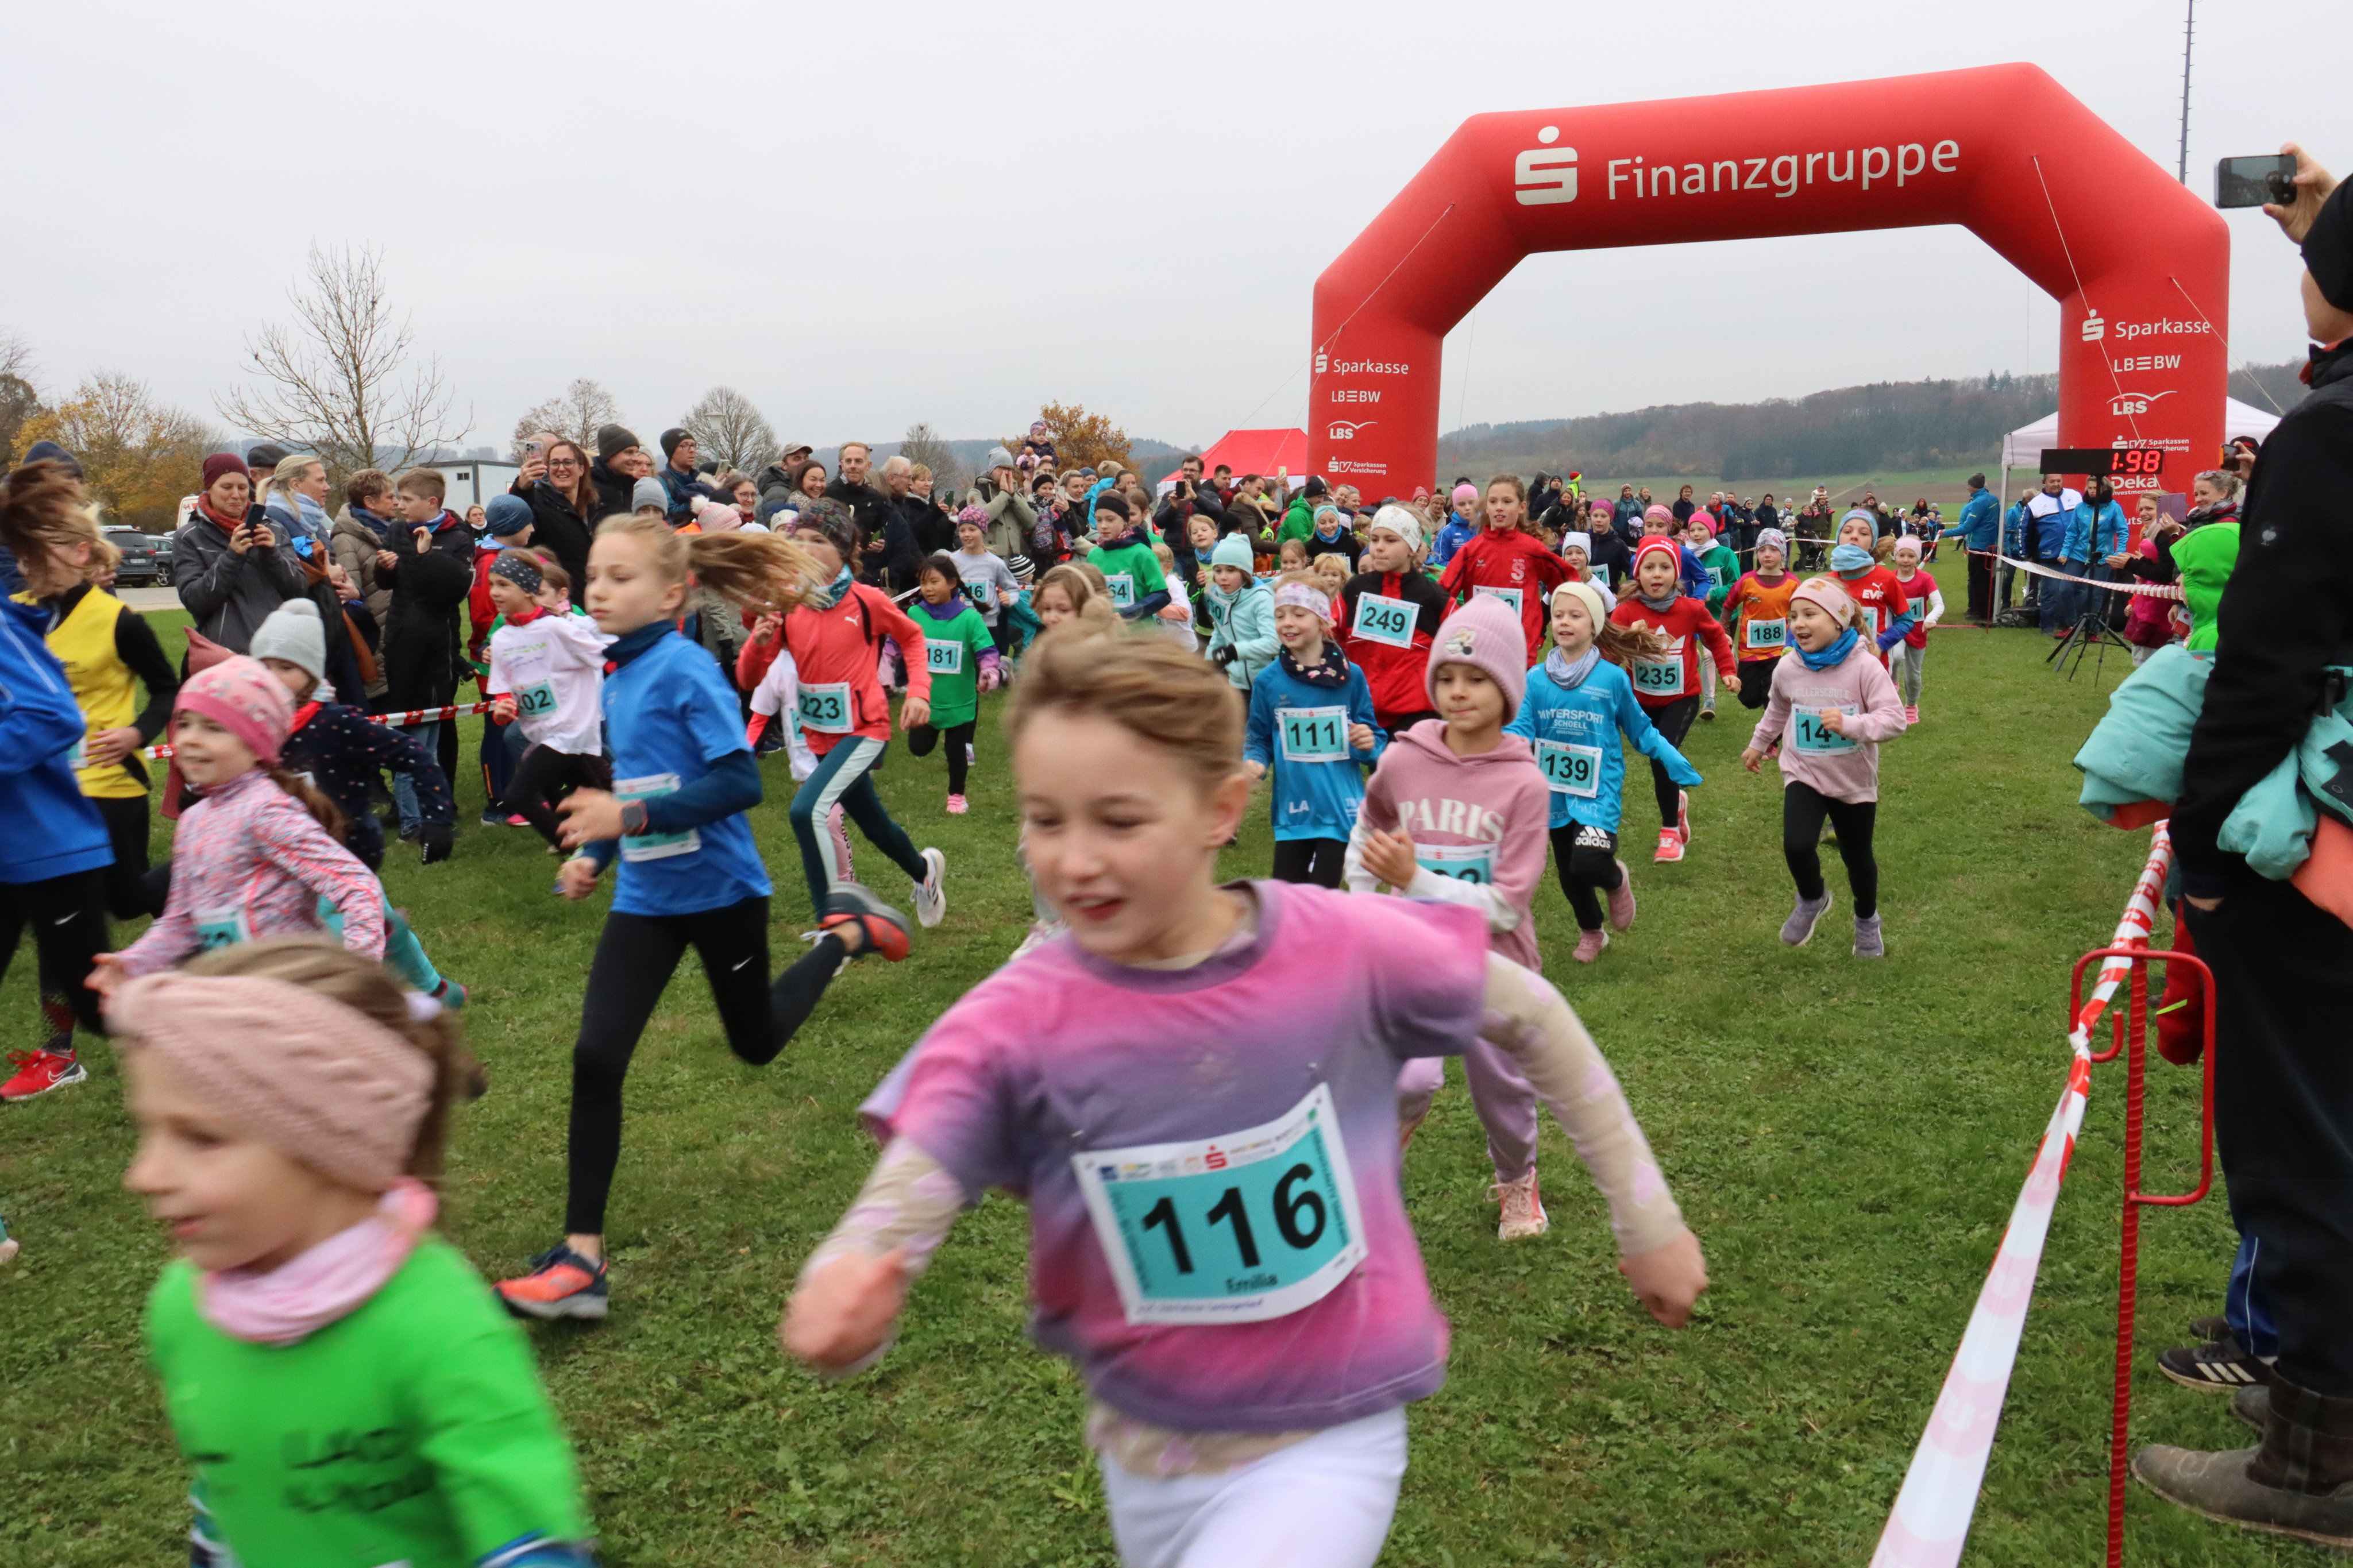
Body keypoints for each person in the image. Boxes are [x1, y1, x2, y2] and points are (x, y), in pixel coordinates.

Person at [784, 627, 1704, 1568]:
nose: (1076, 861)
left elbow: (1532, 1013)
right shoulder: (1023, 1006)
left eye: (1119, 820)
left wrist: (1648, 1219)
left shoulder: (1337, 946)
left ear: (1221, 808)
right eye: (1046, 820)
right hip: (1143, 1444)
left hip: (1328, 1434)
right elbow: (932, 1147)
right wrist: (865, 1258)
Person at [495, 513, 912, 1320]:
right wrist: (596, 855)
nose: (599, 591)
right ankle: (581, 1260)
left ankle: (847, 934)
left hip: (723, 893)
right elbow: (637, 785)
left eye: (620, 577)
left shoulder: (685, 668)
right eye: (593, 577)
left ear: (671, 594)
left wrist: (627, 820)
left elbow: (738, 783)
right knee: (596, 1054)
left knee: (755, 1043)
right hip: (647, 900)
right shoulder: (616, 673)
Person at [2133, 146, 2353, 1547]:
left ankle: (2313, 1460)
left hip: (2315, 848)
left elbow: (2263, 664)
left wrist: (2199, 841)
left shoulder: (2326, 439)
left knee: (2306, 1134)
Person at [120, 941, 600, 1568]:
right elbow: (231, 1490)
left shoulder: (438, 1329)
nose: (144, 1174)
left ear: (333, 1141)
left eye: (200, 1137)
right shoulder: (183, 1310)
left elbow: (533, 1545)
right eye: (148, 1130)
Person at [1348, 596, 1557, 1239]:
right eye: (1445, 676)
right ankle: (1382, 1151)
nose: (1457, 691)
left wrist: (1415, 880)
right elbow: (1370, 826)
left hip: (1496, 961)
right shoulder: (1403, 759)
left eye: (1475, 678)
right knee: (1408, 1075)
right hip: (1415, 955)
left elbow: (1506, 906)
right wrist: (1365, 902)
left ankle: (1517, 1180)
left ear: (1508, 689)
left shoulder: (1526, 785)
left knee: (1502, 1089)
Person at [88, 657, 387, 999]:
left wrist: (357, 977)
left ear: (255, 743)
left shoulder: (267, 812)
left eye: (213, 728)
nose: (191, 739)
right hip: (232, 997)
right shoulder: (194, 820)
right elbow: (181, 922)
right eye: (185, 724)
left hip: (295, 998)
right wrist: (131, 963)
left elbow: (358, 887)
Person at [734, 499, 947, 927]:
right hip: (820, 737)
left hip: (866, 729)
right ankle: (924, 872)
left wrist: (919, 692)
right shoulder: (788, 604)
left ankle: (832, 925)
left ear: (845, 551)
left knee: (806, 811)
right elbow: (748, 678)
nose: (805, 549)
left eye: (818, 541)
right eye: (798, 541)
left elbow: (912, 638)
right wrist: (759, 641)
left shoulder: (867, 600)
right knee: (874, 825)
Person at [0, 461, 119, 1103]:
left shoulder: (5, 628)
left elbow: (54, 716)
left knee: (100, 1008)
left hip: (54, 850)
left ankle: (243, 1025)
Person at [1510, 581, 1696, 964]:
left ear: (1594, 625)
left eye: (1575, 616)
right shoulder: (1535, 679)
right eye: (1558, 615)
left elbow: (1640, 729)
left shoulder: (1611, 678)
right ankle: (1592, 931)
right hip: (1553, 791)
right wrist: (1494, 753)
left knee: (1589, 862)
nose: (1564, 622)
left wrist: (1668, 754)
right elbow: (1520, 731)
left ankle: (1616, 880)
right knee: (1569, 872)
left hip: (1599, 788)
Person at [1739, 576, 1906, 958]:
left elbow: (1894, 719)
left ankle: (1867, 921)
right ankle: (1813, 897)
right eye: (1794, 615)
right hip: (1804, 771)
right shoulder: (1789, 667)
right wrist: (1758, 744)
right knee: (1797, 844)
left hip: (1852, 780)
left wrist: (1851, 725)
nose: (1798, 624)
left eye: (1810, 615)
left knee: (1857, 858)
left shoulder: (1865, 667)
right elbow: (1778, 708)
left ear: (1838, 620)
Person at [1243, 576, 1382, 887]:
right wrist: (1255, 762)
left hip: (1341, 811)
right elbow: (1258, 739)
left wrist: (1367, 743)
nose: (1287, 623)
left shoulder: (1352, 677)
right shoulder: (1268, 682)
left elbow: (1374, 739)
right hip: (1293, 814)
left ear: (1322, 621)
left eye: (1298, 614)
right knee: (1289, 898)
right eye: (1280, 615)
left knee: (1320, 897)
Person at [1610, 538, 1736, 863]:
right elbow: (1608, 655)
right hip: (1641, 702)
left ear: (1676, 575)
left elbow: (1716, 637)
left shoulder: (1691, 609)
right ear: (1638, 574)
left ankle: (1670, 832)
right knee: (1658, 757)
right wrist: (1627, 639)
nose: (1657, 574)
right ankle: (1676, 804)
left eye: (1665, 567)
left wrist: (1727, 671)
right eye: (1649, 567)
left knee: (1663, 756)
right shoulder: (1626, 612)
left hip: (1683, 697)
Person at [482, 549, 611, 851]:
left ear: (528, 589)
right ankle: (627, 835)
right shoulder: (501, 639)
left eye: (503, 585)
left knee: (518, 794)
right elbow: (503, 689)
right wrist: (504, 707)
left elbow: (604, 654)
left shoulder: (557, 628)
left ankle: (569, 847)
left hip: (570, 729)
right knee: (591, 796)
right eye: (491, 584)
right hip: (541, 732)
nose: (494, 593)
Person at [377, 469, 474, 827]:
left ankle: (441, 802)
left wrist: (427, 555)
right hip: (403, 636)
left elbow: (453, 589)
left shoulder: (459, 536)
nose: (399, 506)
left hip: (440, 642)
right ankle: (410, 813)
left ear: (431, 503)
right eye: (398, 499)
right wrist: (384, 567)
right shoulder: (396, 531)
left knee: (439, 725)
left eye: (406, 500)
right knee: (408, 724)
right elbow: (389, 583)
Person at [175, 453, 303, 656]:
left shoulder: (274, 530)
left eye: (242, 488)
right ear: (210, 489)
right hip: (226, 655)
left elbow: (299, 590)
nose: (236, 495)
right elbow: (195, 601)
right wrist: (232, 556)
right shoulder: (190, 537)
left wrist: (272, 555)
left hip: (278, 651)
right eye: (227, 487)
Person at [904, 553, 1001, 815]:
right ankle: (934, 732)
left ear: (952, 583)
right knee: (919, 748)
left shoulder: (969, 619)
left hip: (959, 700)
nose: (928, 588)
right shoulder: (915, 614)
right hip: (926, 700)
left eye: (934, 582)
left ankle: (957, 796)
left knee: (956, 752)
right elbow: (896, 641)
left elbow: (987, 651)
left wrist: (989, 671)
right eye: (923, 583)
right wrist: (885, 668)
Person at [1438, 476, 1571, 665]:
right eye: (1493, 502)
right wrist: (1460, 623)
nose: (1499, 507)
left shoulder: (1533, 549)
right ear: (1486, 507)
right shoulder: (1471, 551)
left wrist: (1544, 622)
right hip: (1479, 650)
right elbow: (1441, 595)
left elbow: (1569, 584)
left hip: (1520, 652)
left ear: (1522, 507)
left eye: (1507, 502)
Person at [1718, 528, 1800, 710]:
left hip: (1779, 651)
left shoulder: (1793, 583)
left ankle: (1772, 722)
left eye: (1773, 550)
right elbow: (1728, 606)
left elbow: (1803, 611)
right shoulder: (1747, 581)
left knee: (1772, 696)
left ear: (1783, 553)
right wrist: (1725, 632)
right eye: (1762, 550)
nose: (1767, 555)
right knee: (1749, 699)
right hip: (1749, 651)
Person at [507, 438, 600, 592]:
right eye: (555, 463)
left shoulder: (594, 503)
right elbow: (518, 530)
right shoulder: (537, 501)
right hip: (557, 596)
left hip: (593, 593)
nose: (561, 469)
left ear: (581, 469)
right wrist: (522, 489)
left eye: (568, 462)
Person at [2054, 476, 2128, 636]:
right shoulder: (2080, 508)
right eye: (2090, 488)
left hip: (2102, 557)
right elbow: (2072, 532)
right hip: (2078, 555)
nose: (2093, 491)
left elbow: (2123, 532)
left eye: (2096, 488)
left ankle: (2093, 630)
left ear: (2104, 489)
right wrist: (2064, 552)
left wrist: (2118, 553)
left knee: (2095, 594)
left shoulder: (2114, 508)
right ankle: (2072, 624)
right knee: (2065, 589)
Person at [1202, 533, 1275, 692]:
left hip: (1267, 685)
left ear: (1245, 572)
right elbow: (1220, 634)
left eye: (1231, 570)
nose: (1223, 577)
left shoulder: (1262, 599)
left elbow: (1274, 643)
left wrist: (1235, 651)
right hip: (1235, 684)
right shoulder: (1218, 596)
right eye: (1218, 571)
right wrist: (1208, 665)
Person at [1085, 495, 1172, 621]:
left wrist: (1128, 614)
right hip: (1104, 629)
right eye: (1099, 520)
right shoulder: (1093, 555)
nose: (1103, 526)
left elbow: (1162, 595)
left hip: (1138, 630)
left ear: (1125, 520)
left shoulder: (1142, 553)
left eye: (1110, 520)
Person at [948, 506, 1021, 655]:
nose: (967, 535)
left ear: (983, 531)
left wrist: (1009, 598)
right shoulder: (951, 561)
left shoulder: (995, 563)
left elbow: (1012, 588)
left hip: (988, 626)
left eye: (972, 530)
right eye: (962, 530)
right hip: (959, 622)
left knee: (986, 663)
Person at [1888, 536, 1943, 724]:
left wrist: (1931, 619)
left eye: (1911, 556)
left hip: (1918, 632)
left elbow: (1938, 604)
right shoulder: (1889, 579)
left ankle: (1911, 706)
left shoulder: (1925, 579)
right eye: (1901, 555)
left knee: (1913, 675)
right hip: (1896, 630)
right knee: (1895, 657)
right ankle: (1893, 683)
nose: (1906, 560)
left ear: (1918, 558)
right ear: (1895, 556)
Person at [1941, 473, 2000, 622]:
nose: (1967, 488)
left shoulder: (1978, 503)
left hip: (1978, 548)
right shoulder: (1993, 499)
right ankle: (1988, 610)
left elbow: (1967, 527)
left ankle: (1980, 613)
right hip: (1991, 547)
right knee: (1988, 581)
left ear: (1974, 487)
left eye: (1969, 485)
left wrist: (1944, 533)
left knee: (1977, 581)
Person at [1429, 482, 1479, 570]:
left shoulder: (1488, 528)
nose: (1467, 508)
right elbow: (1439, 564)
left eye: (1472, 503)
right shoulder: (1446, 533)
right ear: (1455, 507)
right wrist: (1464, 566)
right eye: (1462, 504)